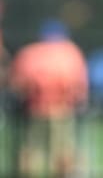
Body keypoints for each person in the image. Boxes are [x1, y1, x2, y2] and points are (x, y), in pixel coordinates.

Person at [9, 19, 89, 178]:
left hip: (34, 109)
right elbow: (80, 85)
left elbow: (17, 84)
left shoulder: (30, 53)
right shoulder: (70, 53)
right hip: (62, 109)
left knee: (31, 150)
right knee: (63, 152)